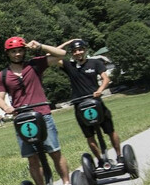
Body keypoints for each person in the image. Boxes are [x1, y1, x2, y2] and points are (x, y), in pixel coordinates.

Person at [0, 36, 72, 185]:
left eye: (20, 50)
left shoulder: (35, 64)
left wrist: (40, 46)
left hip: (42, 114)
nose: (17, 54)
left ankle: (67, 184)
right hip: (22, 119)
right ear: (7, 53)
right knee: (32, 158)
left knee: (54, 151)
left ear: (24, 51)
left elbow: (61, 54)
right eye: (13, 51)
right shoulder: (3, 75)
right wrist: (7, 108)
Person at [51, 39, 122, 167]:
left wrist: (100, 90)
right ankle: (100, 160)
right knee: (89, 136)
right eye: (74, 51)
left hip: (96, 102)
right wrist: (67, 43)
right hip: (80, 105)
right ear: (72, 53)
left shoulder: (95, 63)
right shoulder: (69, 66)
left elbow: (106, 79)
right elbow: (52, 55)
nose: (78, 52)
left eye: (80, 50)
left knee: (110, 130)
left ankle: (119, 156)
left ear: (85, 50)